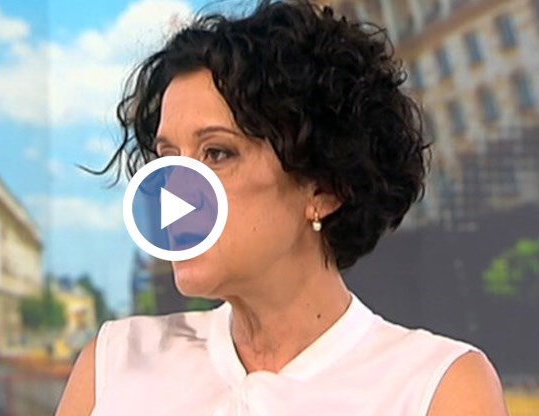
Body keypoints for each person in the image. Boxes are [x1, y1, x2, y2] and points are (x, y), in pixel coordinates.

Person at [55, 1, 508, 414]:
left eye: (217, 153)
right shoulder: (112, 365)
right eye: (167, 157)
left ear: (324, 189)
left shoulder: (439, 388)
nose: (174, 190)